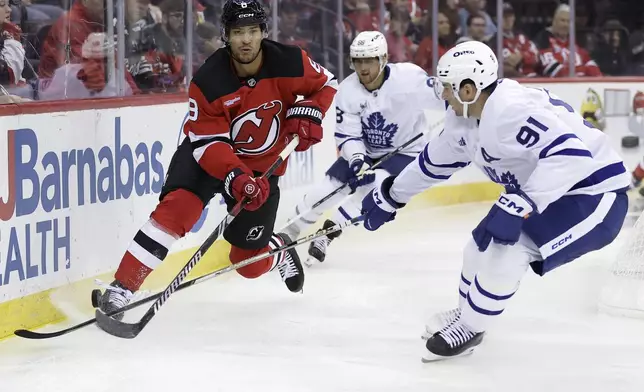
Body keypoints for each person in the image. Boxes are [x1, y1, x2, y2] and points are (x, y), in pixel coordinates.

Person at [360, 41, 630, 361]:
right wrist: (392, 195)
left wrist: (523, 202)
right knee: (479, 246)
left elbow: (572, 157)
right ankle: (466, 316)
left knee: (509, 249)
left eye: (448, 87)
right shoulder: (464, 119)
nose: (442, 93)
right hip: (549, 189)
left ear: (470, 89)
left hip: (594, 193)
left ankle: (471, 328)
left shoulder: (511, 111)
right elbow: (433, 163)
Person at [93, 0, 338, 321]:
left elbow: (327, 83)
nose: (246, 40)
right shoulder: (209, 80)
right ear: (226, 35)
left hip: (262, 167)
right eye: (238, 32)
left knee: (247, 263)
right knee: (176, 210)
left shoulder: (291, 62)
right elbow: (209, 143)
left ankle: (278, 251)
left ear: (264, 32)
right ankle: (122, 288)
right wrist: (235, 176)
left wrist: (311, 111)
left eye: (253, 31)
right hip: (207, 158)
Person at [282, 30, 442, 267]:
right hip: (365, 150)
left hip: (404, 152)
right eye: (358, 61)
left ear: (383, 59)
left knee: (372, 189)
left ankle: (327, 235)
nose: (363, 68)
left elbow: (446, 96)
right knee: (327, 190)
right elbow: (348, 133)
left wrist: (464, 108)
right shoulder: (348, 89)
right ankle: (288, 232)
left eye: (369, 60)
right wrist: (357, 159)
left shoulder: (409, 79)